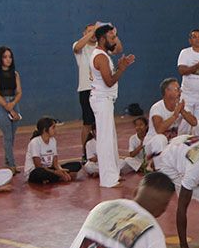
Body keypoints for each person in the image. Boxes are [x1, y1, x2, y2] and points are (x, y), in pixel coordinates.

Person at [89, 22, 136, 188]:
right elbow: (109, 81)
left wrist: (122, 66)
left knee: (111, 138)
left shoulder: (103, 54)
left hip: (105, 100)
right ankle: (108, 180)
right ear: (102, 39)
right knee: (105, 140)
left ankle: (114, 173)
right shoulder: (100, 57)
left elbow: (108, 76)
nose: (114, 40)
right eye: (111, 37)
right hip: (102, 100)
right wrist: (121, 69)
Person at [72, 22, 115, 156]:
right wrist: (93, 30)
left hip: (101, 90)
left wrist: (113, 34)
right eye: (89, 31)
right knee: (88, 123)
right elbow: (77, 47)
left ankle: (101, 151)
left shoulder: (101, 48)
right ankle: (85, 153)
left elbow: (118, 49)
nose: (93, 34)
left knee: (102, 123)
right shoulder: (80, 46)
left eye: (94, 31)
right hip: (86, 88)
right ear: (84, 33)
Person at [0, 45, 22, 172]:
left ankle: (7, 161)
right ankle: (12, 164)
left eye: (10, 57)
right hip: (1, 105)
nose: (8, 59)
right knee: (7, 135)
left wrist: (13, 104)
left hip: (14, 103)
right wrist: (8, 107)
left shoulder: (15, 74)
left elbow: (19, 92)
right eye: (5, 57)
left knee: (12, 136)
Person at [146, 77, 197, 157]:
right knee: (160, 139)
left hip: (169, 143)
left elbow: (194, 122)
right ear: (167, 91)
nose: (180, 91)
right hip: (153, 144)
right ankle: (156, 163)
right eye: (177, 89)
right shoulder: (157, 108)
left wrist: (182, 111)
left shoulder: (180, 106)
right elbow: (159, 130)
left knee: (186, 139)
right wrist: (175, 115)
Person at [25, 117, 72, 184]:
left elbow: (55, 163)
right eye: (53, 127)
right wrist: (56, 172)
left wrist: (61, 171)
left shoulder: (53, 140)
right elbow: (38, 166)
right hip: (36, 171)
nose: (55, 130)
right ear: (45, 130)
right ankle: (56, 177)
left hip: (49, 169)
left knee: (76, 165)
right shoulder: (35, 142)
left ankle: (52, 178)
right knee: (39, 172)